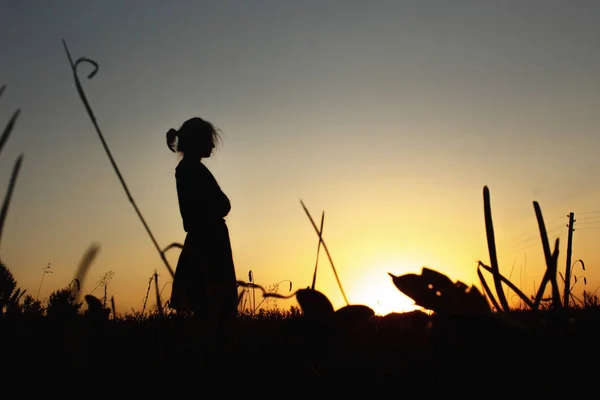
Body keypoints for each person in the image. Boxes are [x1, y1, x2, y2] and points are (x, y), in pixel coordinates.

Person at [166, 117, 238, 339]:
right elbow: (222, 204)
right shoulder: (192, 170)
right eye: (209, 140)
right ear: (196, 141)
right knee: (212, 307)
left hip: (204, 240)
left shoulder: (189, 170)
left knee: (209, 308)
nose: (213, 146)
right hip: (209, 243)